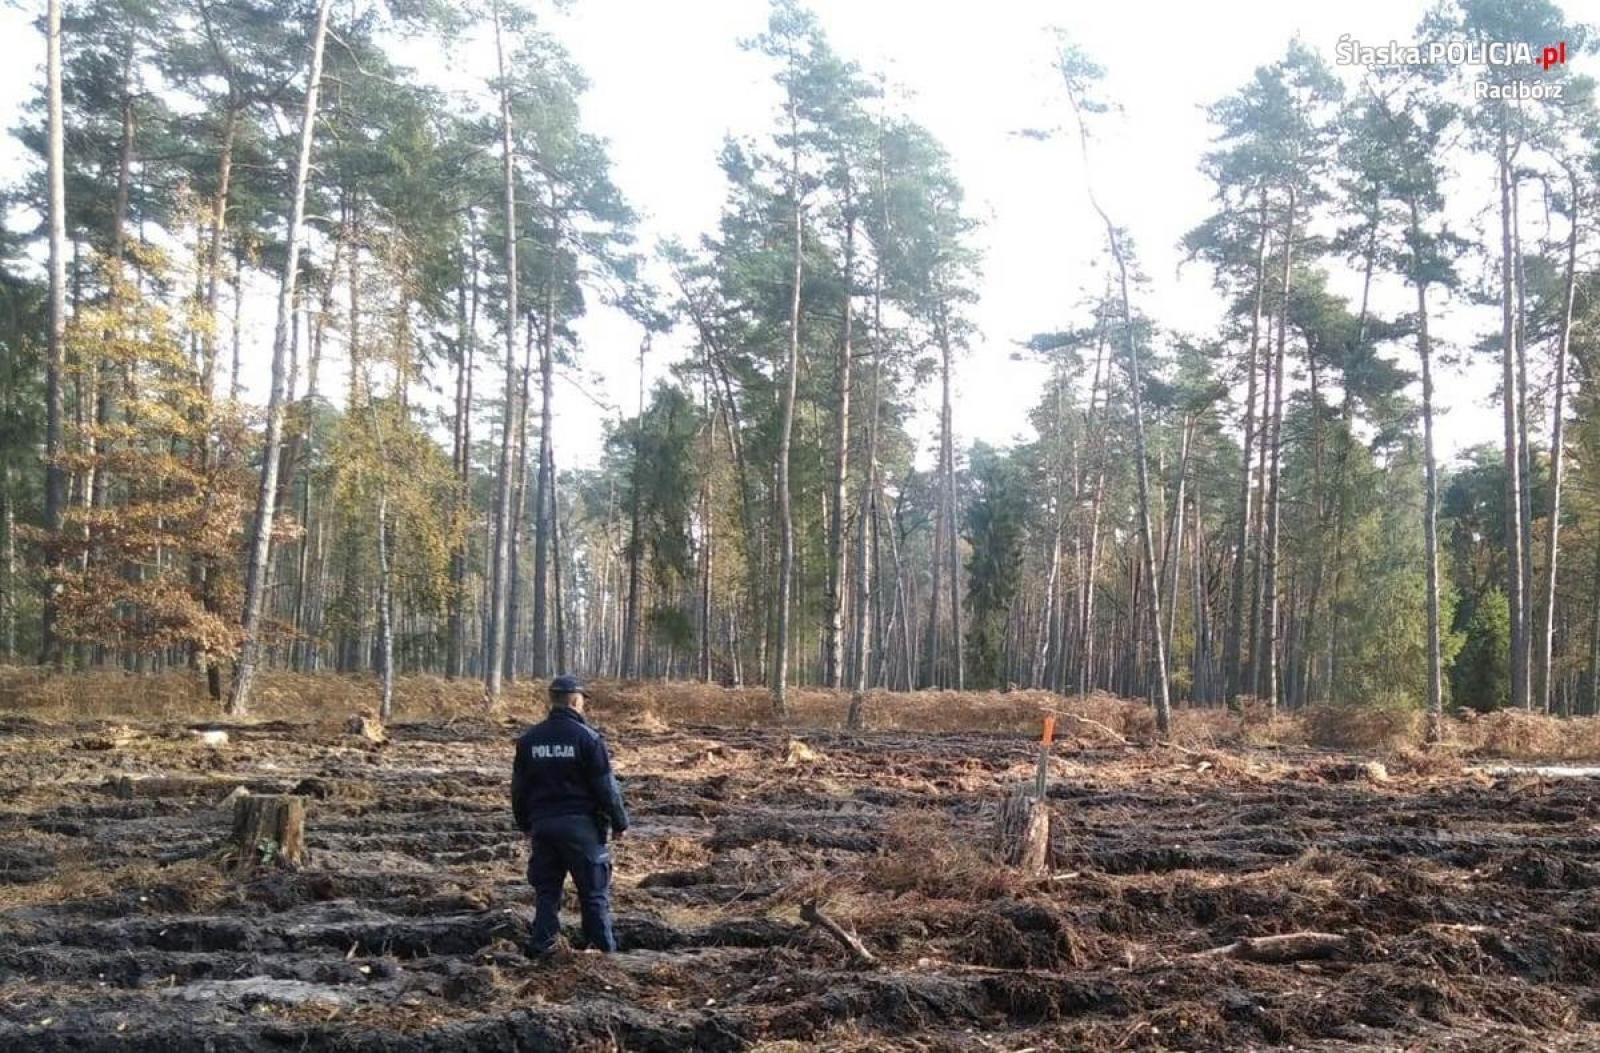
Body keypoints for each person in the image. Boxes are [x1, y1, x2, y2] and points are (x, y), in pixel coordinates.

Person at [511, 674, 629, 955]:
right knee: (594, 894)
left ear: (552, 700)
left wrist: (524, 823)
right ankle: (602, 952)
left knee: (546, 893)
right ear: (576, 701)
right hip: (582, 828)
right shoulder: (588, 739)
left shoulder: (529, 740)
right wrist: (620, 822)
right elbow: (606, 787)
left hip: (543, 826)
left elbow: (519, 788)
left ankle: (543, 949)